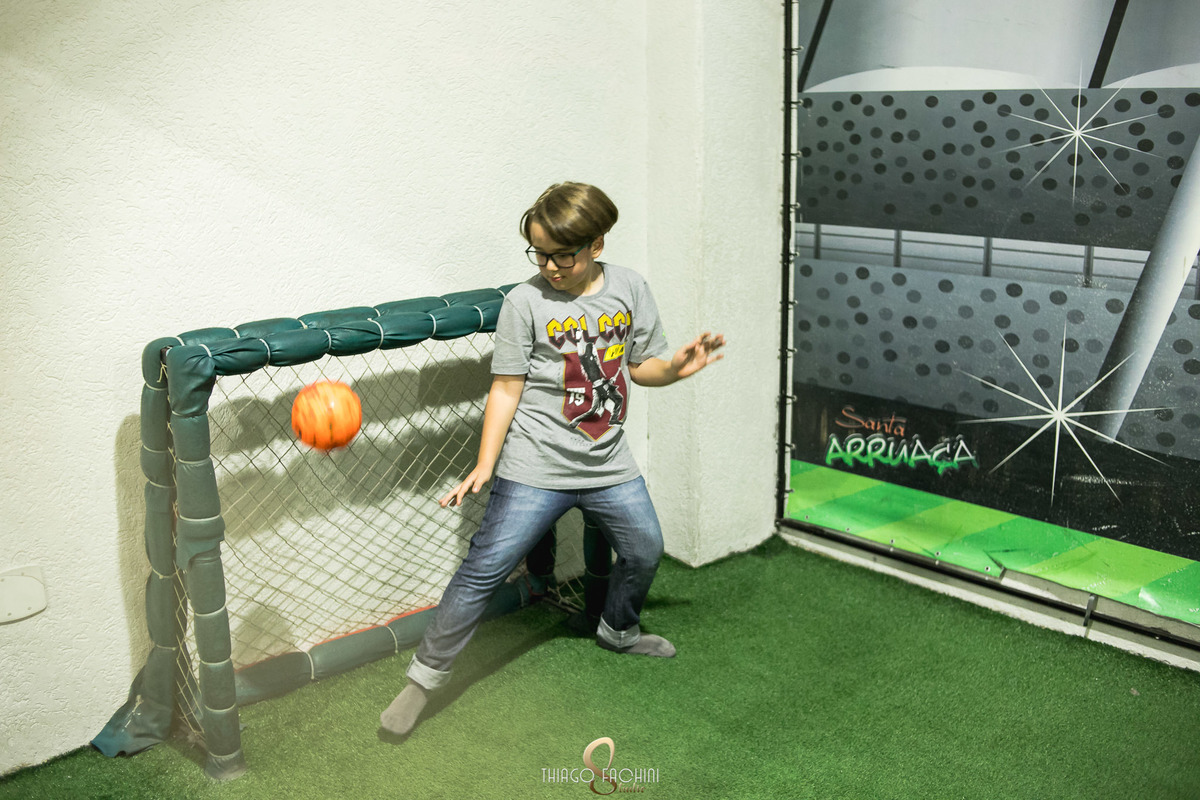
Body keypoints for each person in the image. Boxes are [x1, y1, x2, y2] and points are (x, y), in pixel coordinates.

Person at [380, 182, 725, 736]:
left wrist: (677, 369)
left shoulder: (631, 288)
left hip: (608, 464)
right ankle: (423, 681)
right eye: (539, 253)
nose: (549, 267)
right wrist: (486, 463)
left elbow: (642, 367)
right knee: (483, 570)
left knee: (645, 549)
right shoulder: (525, 302)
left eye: (562, 255)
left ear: (597, 244)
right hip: (534, 467)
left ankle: (618, 631)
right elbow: (506, 387)